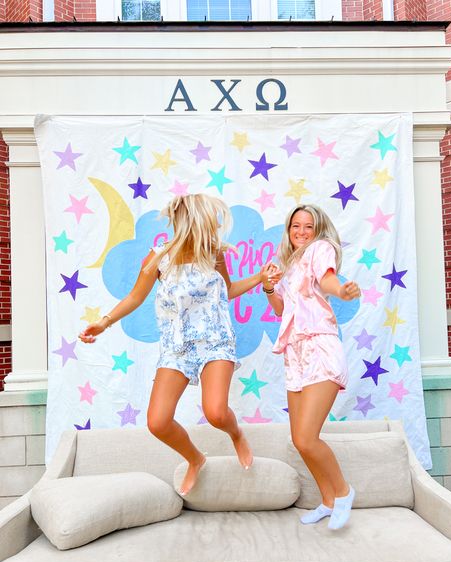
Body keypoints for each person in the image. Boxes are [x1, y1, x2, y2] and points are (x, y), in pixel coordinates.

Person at [79, 193, 272, 496]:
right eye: (207, 222)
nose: (212, 229)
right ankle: (195, 459)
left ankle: (237, 436)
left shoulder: (214, 254)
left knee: (217, 413)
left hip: (215, 341)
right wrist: (103, 322)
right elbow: (134, 297)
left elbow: (228, 290)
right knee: (157, 422)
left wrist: (260, 277)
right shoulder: (159, 257)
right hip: (176, 347)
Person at [262, 204, 360, 530]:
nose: (301, 232)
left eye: (308, 227)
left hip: (319, 347)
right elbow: (282, 310)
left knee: (306, 438)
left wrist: (341, 291)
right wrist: (269, 287)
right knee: (300, 438)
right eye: (295, 227)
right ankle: (328, 501)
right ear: (288, 231)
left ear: (317, 231)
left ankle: (343, 492)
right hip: (295, 353)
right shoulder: (290, 265)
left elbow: (328, 279)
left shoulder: (320, 249)